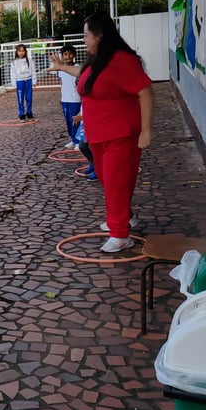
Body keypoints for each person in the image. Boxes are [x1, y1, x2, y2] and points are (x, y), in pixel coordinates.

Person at [49, 14, 154, 253]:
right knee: (109, 180)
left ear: (100, 36)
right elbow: (85, 76)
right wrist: (62, 67)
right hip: (97, 135)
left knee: (116, 183)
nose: (84, 40)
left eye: (86, 35)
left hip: (121, 134)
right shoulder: (98, 60)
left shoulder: (122, 60)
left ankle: (120, 234)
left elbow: (146, 92)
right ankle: (125, 217)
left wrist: (146, 130)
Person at [49, 44, 82, 147]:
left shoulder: (77, 68)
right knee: (68, 121)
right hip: (65, 99)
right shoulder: (61, 70)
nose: (68, 56)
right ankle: (72, 139)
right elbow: (53, 71)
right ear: (62, 56)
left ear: (74, 55)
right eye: (65, 54)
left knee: (75, 120)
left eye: (70, 54)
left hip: (75, 99)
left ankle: (77, 141)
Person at [10, 43, 36, 121]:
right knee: (20, 99)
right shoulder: (14, 62)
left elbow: (33, 71)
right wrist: (14, 85)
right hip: (19, 82)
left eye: (23, 51)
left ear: (25, 51)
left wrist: (34, 81)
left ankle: (29, 113)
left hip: (28, 80)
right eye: (19, 51)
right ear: (16, 52)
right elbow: (12, 73)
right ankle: (21, 114)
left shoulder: (30, 61)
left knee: (29, 98)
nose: (21, 53)